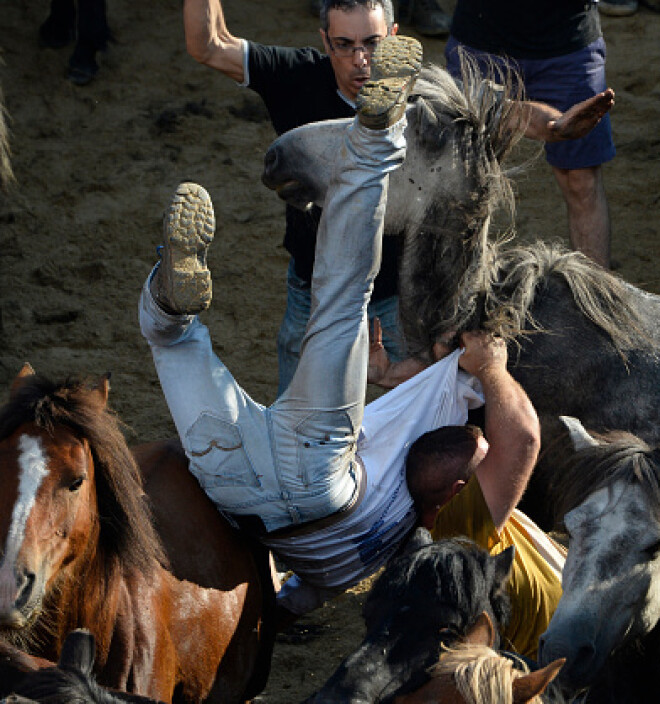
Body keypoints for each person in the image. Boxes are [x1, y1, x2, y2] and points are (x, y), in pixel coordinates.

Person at [139, 36, 484, 623]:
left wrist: (422, 371)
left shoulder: (434, 444)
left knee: (342, 297)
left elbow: (471, 379)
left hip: (323, 469)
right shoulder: (371, 555)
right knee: (170, 339)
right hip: (239, 489)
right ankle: (167, 307)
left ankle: (375, 137)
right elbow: (292, 603)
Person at [183, 0, 616, 394]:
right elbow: (209, 45)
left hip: (394, 297)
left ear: (392, 38)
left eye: (372, 43)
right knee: (296, 409)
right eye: (343, 45)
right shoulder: (295, 75)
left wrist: (557, 126)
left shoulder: (420, 94)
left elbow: (507, 113)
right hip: (313, 288)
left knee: (415, 415)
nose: (360, 60)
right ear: (324, 42)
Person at [405, 340, 565, 660]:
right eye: (485, 461)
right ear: (458, 493)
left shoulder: (439, 504)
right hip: (552, 670)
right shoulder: (460, 531)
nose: (495, 461)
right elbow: (523, 437)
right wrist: (491, 367)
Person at [446, 0, 616, 268]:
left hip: (568, 42)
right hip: (481, 44)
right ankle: (456, 299)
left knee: (581, 181)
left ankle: (594, 303)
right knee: (464, 182)